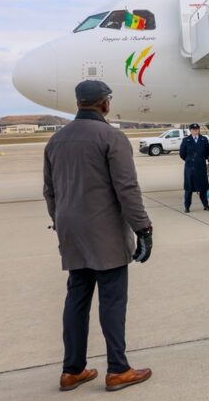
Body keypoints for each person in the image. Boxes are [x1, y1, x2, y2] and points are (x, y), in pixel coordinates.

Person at [44, 80, 152, 392]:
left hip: (71, 233)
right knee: (112, 301)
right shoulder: (111, 137)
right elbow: (127, 189)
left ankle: (72, 370)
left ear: (78, 103)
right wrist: (143, 228)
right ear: (104, 103)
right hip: (105, 234)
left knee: (76, 299)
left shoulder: (56, 141)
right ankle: (118, 369)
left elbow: (50, 192)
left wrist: (63, 224)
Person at [179, 124, 209, 213]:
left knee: (203, 188)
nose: (195, 130)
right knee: (188, 189)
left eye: (197, 129)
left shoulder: (204, 139)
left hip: (200, 167)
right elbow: (182, 154)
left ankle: (206, 205)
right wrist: (190, 160)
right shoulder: (186, 140)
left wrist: (199, 160)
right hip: (190, 168)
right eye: (193, 129)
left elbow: (207, 153)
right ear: (190, 130)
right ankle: (187, 207)